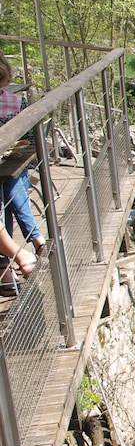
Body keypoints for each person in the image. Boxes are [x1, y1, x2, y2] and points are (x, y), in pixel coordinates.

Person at [0, 51, 44, 294]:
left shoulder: (16, 103)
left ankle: (8, 263)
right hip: (8, 166)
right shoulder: (17, 102)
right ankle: (35, 241)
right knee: (10, 190)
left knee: (11, 186)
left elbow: (29, 142)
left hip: (10, 163)